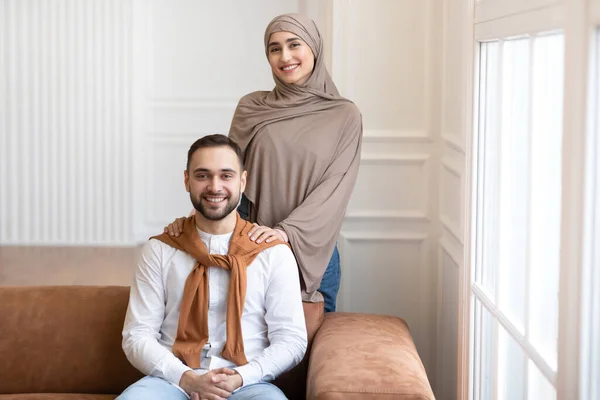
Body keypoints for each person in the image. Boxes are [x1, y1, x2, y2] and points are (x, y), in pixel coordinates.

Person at [166, 14, 363, 313]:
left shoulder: (344, 115)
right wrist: (195, 222)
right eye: (274, 48)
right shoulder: (252, 106)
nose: (285, 56)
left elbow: (335, 188)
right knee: (239, 341)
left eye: (294, 44)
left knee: (307, 350)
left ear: (314, 47)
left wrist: (285, 233)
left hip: (311, 249)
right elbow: (228, 178)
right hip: (249, 244)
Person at [119, 134, 307, 400]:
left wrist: (242, 377)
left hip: (249, 383)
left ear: (243, 181)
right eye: (203, 175)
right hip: (171, 382)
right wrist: (187, 378)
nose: (214, 186)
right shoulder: (160, 250)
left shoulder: (273, 254)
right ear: (187, 180)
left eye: (226, 176)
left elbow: (291, 340)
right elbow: (137, 335)